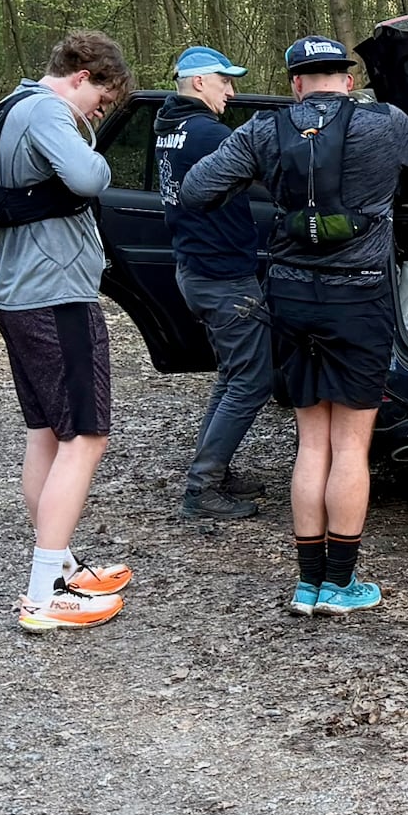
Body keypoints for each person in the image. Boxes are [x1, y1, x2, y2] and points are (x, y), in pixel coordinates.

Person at [180, 35, 408, 618]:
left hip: (291, 298)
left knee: (312, 440)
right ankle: (341, 584)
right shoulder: (386, 122)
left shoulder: (263, 130)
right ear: (347, 81)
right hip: (360, 299)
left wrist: (262, 182)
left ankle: (307, 585)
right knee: (350, 444)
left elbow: (197, 189)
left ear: (296, 84)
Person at [0, 29, 137, 632]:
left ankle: (61, 565)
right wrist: (95, 148)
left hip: (21, 293)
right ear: (82, 77)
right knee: (86, 437)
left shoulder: (12, 105)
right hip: (56, 297)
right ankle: (45, 592)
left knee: (46, 434)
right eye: (101, 100)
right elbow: (89, 178)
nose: (99, 111)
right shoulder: (48, 110)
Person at [155, 45, 268, 522]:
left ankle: (213, 470)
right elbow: (268, 174)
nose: (231, 91)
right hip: (224, 277)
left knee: (232, 375)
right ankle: (202, 487)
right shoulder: (210, 135)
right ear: (199, 82)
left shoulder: (168, 131)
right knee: (253, 379)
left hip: (194, 269)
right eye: (225, 81)